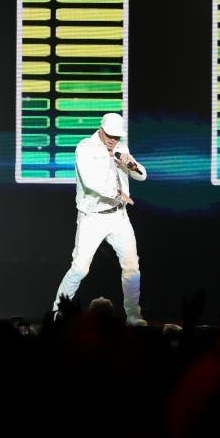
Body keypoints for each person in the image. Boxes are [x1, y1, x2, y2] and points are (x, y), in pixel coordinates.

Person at [52, 112, 148, 325]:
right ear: (101, 129)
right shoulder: (85, 148)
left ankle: (133, 315)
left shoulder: (121, 148)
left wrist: (129, 163)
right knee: (79, 268)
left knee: (132, 266)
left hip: (119, 217)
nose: (113, 139)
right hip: (93, 217)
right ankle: (57, 312)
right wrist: (117, 194)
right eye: (110, 135)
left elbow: (142, 175)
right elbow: (90, 183)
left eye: (117, 136)